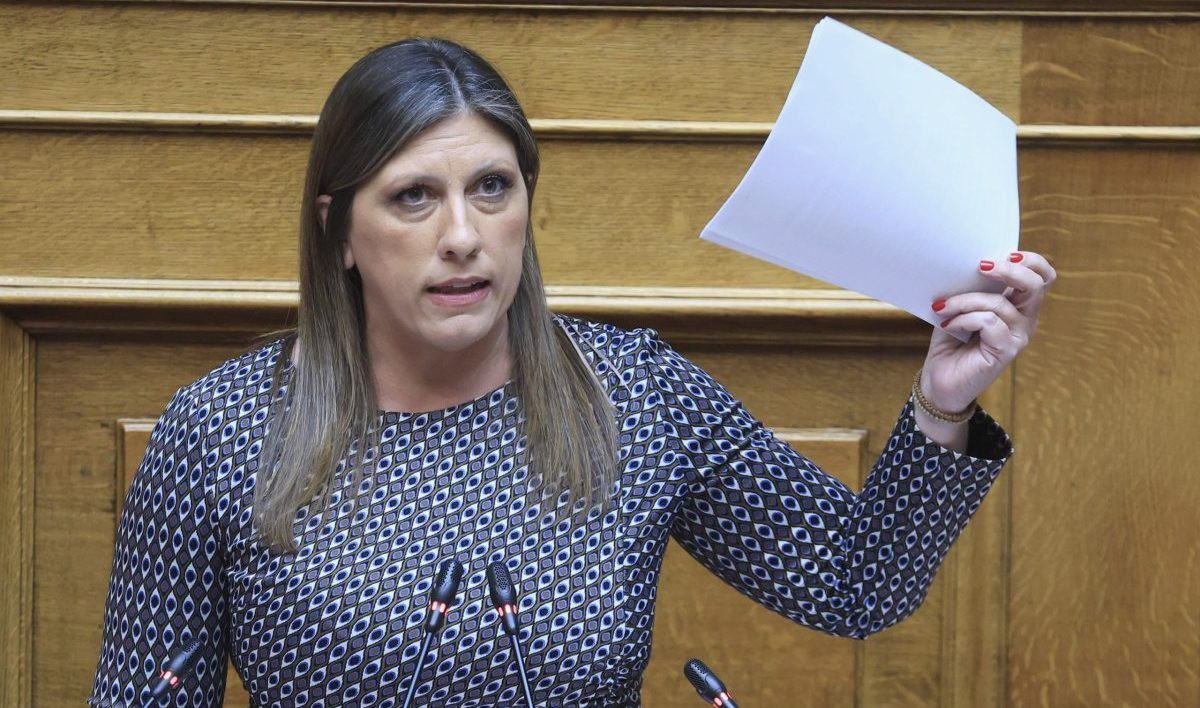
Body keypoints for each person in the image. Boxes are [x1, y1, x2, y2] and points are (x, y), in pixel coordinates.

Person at [88, 38, 1053, 707]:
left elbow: (854, 583)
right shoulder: (219, 433)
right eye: (414, 196)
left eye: (491, 188)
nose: (462, 236)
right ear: (339, 228)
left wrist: (942, 406)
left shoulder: (632, 393)